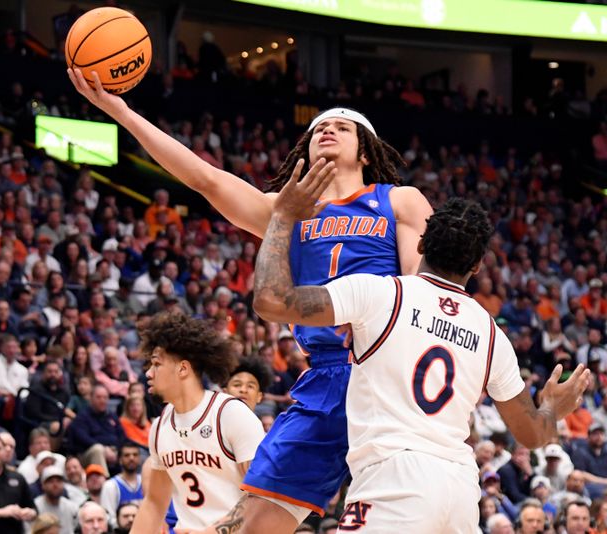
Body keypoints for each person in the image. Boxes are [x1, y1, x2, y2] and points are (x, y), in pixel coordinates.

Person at [70, 68, 432, 529]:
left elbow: (422, 295)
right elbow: (204, 178)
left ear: (365, 149)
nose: (328, 129)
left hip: (384, 377)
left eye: (342, 126)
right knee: (250, 523)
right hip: (324, 378)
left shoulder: (399, 201)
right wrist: (120, 112)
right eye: (319, 126)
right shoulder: (284, 210)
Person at [249, 187, 590, 532]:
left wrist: (281, 217)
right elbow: (532, 433)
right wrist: (551, 410)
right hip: (459, 490)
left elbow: (270, 302)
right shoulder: (491, 334)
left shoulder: (381, 293)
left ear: (422, 244)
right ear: (477, 264)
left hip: (394, 480)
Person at [130, 312, 264, 533]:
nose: (148, 373)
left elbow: (261, 496)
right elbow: (154, 504)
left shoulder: (230, 414)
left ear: (183, 369)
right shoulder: (160, 426)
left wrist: (212, 531)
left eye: (156, 364)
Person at [100, 442, 142, 528]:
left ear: (140, 458)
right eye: (127, 455)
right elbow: (108, 517)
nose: (131, 458)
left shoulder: (146, 482)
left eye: (135, 455)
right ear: (120, 460)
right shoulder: (111, 485)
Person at [34, 465, 79, 534]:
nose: (55, 485)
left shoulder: (72, 507)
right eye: (51, 481)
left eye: (58, 481)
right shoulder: (35, 507)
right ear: (43, 485)